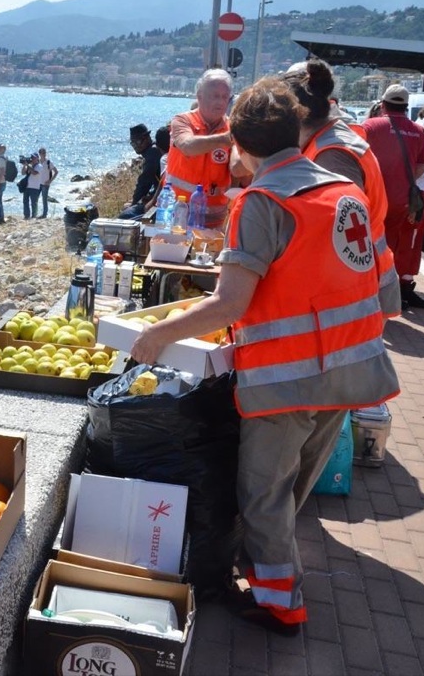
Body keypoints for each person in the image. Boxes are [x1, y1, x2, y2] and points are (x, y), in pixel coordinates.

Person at [130, 78, 399, 635]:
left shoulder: (263, 201)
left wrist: (158, 335)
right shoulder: (342, 190)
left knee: (263, 494)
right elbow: (379, 276)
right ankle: (273, 569)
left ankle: (281, 604)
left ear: (241, 145)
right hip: (351, 370)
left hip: (288, 378)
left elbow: (230, 302)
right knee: (292, 486)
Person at [282, 60, 400, 317]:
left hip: (352, 289)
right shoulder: (330, 139)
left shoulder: (331, 155)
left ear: (294, 115)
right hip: (361, 278)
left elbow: (336, 231)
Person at [364, 85, 424, 309]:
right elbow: (421, 168)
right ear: (406, 107)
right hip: (401, 200)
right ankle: (381, 296)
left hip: (371, 197)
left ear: (383, 104)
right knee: (387, 246)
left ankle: (363, 291)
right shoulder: (418, 132)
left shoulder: (370, 126)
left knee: (363, 244)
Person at [166, 69, 242, 228]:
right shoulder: (182, 121)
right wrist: (226, 139)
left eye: (225, 97)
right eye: (215, 96)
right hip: (179, 213)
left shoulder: (233, 128)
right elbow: (188, 146)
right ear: (199, 96)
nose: (220, 102)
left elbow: (237, 170)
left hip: (216, 218)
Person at [118, 124, 163, 219]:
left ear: (147, 138)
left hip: (164, 201)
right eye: (133, 143)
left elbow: (144, 182)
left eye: (138, 141)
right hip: (160, 196)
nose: (136, 146)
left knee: (125, 216)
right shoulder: (153, 150)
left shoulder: (153, 153)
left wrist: (134, 203)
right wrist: (149, 196)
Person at [37, 147, 57, 218]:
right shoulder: (37, 162)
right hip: (37, 183)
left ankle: (44, 214)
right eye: (42, 153)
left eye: (45, 153)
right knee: (35, 198)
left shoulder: (48, 162)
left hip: (45, 184)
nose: (44, 154)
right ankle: (35, 213)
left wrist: (50, 181)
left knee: (44, 199)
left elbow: (56, 172)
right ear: (39, 154)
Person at [22, 152, 43, 219]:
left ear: (37, 159)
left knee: (34, 202)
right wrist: (24, 165)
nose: (32, 159)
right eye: (32, 158)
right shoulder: (30, 165)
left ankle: (34, 215)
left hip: (35, 187)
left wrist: (28, 166)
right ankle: (26, 215)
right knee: (25, 201)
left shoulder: (39, 166)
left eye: (34, 158)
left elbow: (34, 173)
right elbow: (23, 173)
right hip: (27, 186)